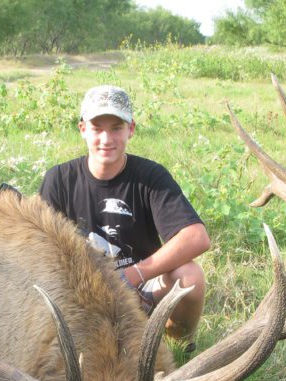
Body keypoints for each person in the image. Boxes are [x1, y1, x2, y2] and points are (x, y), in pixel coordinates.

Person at [39, 85, 210, 349]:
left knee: (190, 276)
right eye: (97, 128)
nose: (106, 139)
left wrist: (133, 275)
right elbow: (41, 251)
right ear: (83, 129)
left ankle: (178, 343)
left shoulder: (151, 177)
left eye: (116, 128)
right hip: (81, 290)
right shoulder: (58, 180)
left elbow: (196, 237)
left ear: (131, 129)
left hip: (141, 289)